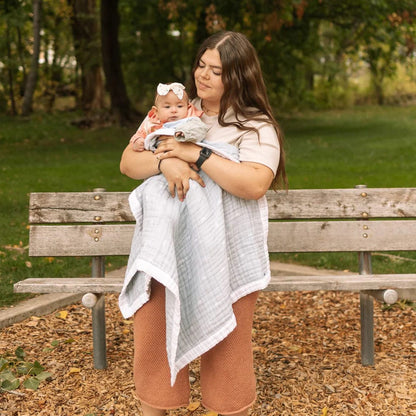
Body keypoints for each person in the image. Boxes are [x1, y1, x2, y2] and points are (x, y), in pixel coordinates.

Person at [119, 31, 286, 416]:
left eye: (217, 70)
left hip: (225, 252)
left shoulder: (254, 126)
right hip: (167, 246)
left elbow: (254, 183)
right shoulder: (175, 110)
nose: (203, 75)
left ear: (239, 76)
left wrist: (197, 153)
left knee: (227, 347)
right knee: (154, 338)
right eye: (201, 65)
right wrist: (166, 161)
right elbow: (129, 162)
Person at [130, 82, 207, 152]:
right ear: (156, 111)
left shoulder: (190, 121)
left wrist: (185, 133)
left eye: (179, 106)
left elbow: (200, 131)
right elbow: (139, 134)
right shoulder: (151, 124)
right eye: (167, 107)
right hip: (157, 155)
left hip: (184, 153)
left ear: (188, 108)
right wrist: (137, 141)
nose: (174, 110)